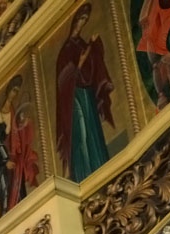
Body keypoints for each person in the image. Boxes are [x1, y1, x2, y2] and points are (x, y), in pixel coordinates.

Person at [55, 3, 114, 182]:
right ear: (75, 21)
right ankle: (83, 174)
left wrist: (94, 47)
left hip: (86, 93)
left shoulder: (81, 43)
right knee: (80, 132)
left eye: (85, 20)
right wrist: (79, 62)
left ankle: (98, 164)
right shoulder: (66, 49)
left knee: (92, 129)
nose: (82, 23)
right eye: (81, 19)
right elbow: (63, 79)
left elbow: (91, 68)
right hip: (74, 98)